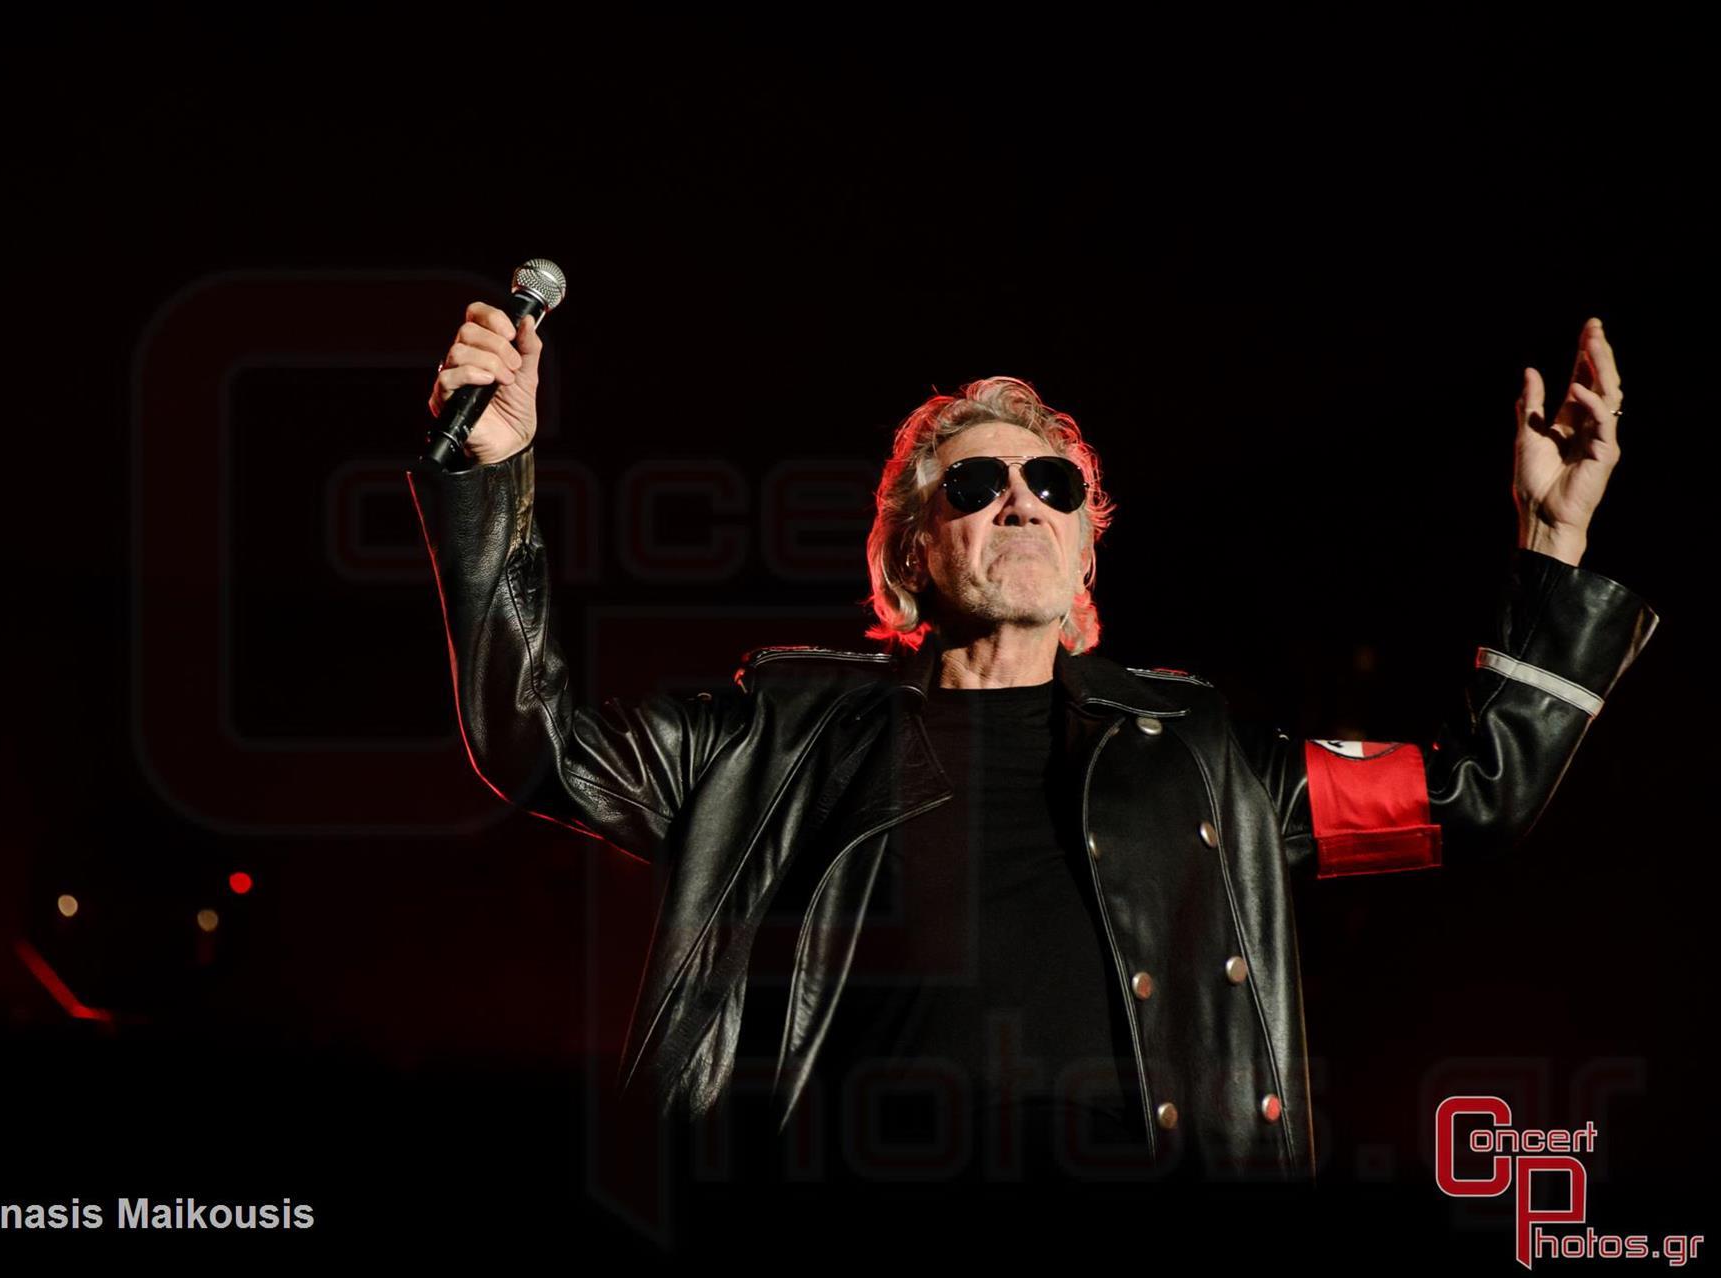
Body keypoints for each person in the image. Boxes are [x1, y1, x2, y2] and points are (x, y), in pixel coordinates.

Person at [405, 306, 1657, 1196]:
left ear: (1085, 555)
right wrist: (491, 471)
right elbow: (535, 744)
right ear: (905, 558)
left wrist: (1550, 545)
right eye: (975, 485)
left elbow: (1475, 796)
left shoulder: (1204, 755)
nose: (1021, 500)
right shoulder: (773, 735)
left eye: (1055, 484)